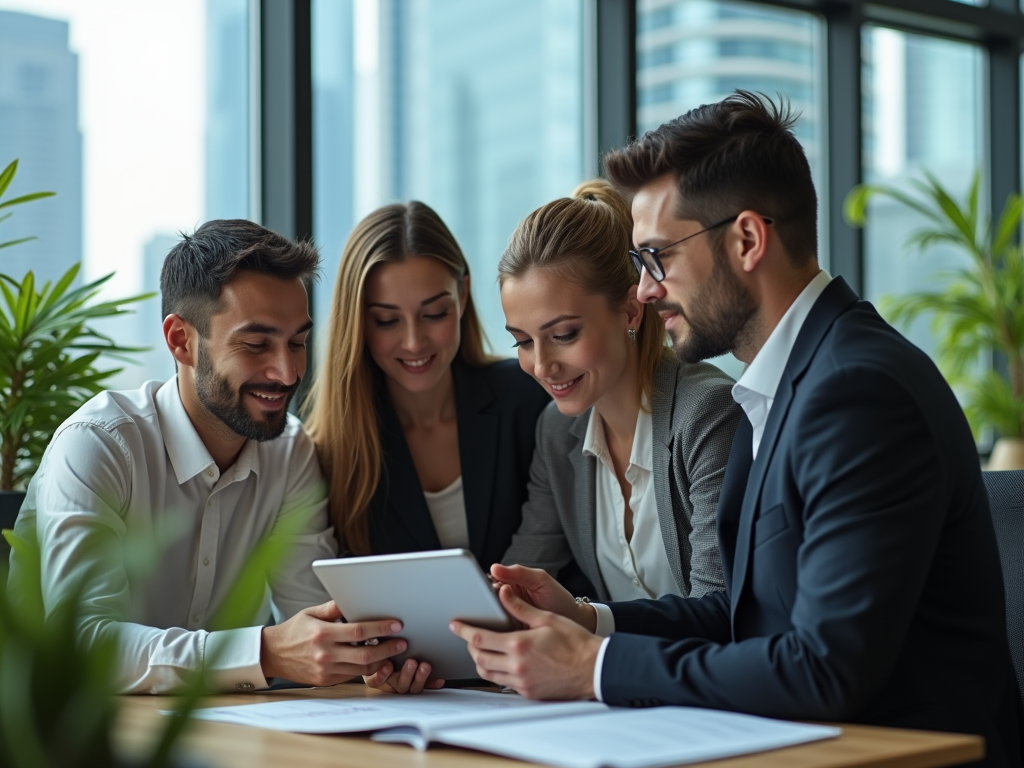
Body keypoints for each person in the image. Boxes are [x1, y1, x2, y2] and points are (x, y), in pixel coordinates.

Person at [451, 92, 1021, 767]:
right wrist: (588, 622)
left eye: (658, 257)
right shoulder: (782, 384)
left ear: (747, 239)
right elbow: (738, 618)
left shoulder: (857, 392)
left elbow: (823, 670)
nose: (645, 291)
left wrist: (595, 668)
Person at [8, 220, 426, 695]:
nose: (287, 372)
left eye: (297, 342)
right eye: (255, 344)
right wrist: (263, 652)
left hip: (226, 729)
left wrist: (371, 658)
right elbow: (82, 646)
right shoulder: (99, 445)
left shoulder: (290, 452)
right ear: (181, 341)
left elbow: (310, 621)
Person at [499, 179, 741, 602]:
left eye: (564, 334)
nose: (541, 365)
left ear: (630, 310)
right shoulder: (557, 431)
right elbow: (520, 578)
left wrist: (589, 623)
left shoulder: (708, 415)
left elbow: (719, 611)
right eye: (522, 341)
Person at [302, 201, 549, 568]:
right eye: (387, 321)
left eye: (434, 314)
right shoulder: (327, 453)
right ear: (358, 324)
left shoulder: (529, 397)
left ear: (462, 296)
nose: (415, 342)